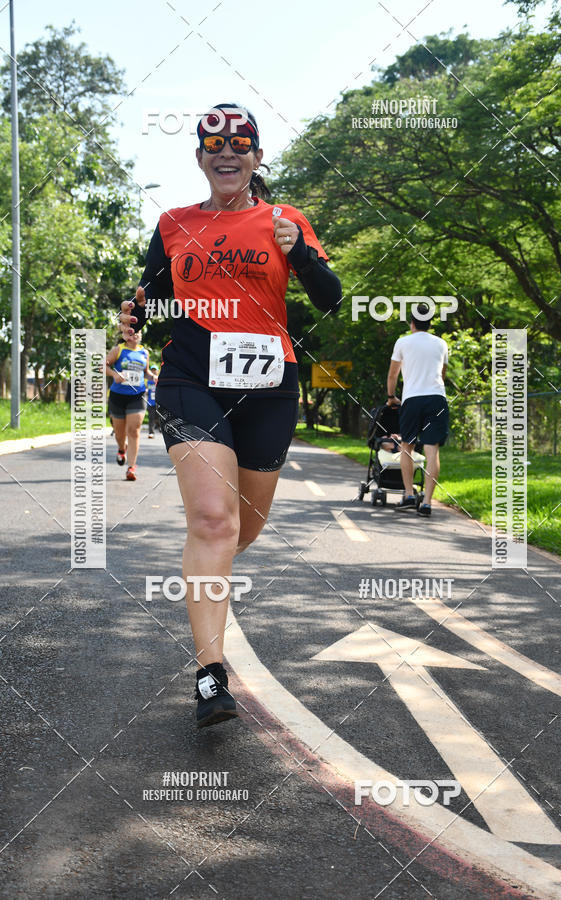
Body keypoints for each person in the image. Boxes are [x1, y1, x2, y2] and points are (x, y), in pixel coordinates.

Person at [118, 103, 342, 728]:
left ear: (256, 157)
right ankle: (210, 676)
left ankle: (208, 575)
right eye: (214, 146)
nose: (227, 153)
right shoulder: (173, 223)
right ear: (199, 158)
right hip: (190, 377)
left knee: (243, 529)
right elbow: (154, 294)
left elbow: (330, 298)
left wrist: (300, 256)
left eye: (240, 145)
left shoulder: (284, 220)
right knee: (214, 521)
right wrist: (134, 315)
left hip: (268, 383)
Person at [385, 302, 449, 517]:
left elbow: (393, 375)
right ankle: (427, 503)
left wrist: (391, 397)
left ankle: (409, 495)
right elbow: (442, 374)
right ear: (429, 323)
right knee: (432, 449)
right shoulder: (441, 344)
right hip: (437, 399)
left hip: (412, 399)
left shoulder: (403, 342)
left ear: (412, 323)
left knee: (407, 446)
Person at [105, 331, 152, 481]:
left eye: (138, 331)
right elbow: (103, 366)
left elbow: (146, 372)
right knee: (119, 434)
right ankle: (121, 448)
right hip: (118, 396)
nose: (135, 334)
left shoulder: (144, 353)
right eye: (132, 332)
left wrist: (153, 377)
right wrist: (114, 374)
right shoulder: (118, 350)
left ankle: (131, 467)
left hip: (137, 395)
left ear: (141, 335)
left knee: (134, 430)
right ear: (126, 334)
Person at [146, 364, 159, 437]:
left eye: (155, 370)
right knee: (151, 418)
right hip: (150, 402)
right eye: (152, 370)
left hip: (159, 402)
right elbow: (147, 390)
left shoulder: (160, 380)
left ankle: (160, 428)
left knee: (159, 418)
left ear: (157, 371)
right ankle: (151, 432)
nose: (153, 371)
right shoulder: (148, 381)